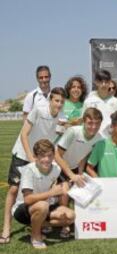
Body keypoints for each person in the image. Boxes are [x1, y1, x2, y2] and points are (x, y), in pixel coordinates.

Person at [0, 87, 66, 244]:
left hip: (41, 157)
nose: (59, 104)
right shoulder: (38, 110)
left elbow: (54, 140)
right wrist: (31, 158)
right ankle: (6, 227)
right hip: (24, 154)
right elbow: (24, 134)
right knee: (14, 190)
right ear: (50, 100)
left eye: (62, 102)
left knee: (39, 188)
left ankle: (37, 222)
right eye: (56, 100)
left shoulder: (61, 118)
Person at [12, 139, 75, 249]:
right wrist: (51, 193)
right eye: (42, 156)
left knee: (70, 216)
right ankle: (35, 236)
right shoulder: (29, 170)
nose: (47, 159)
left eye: (50, 156)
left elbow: (63, 183)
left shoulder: (56, 168)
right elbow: (27, 199)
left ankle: (37, 224)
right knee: (42, 205)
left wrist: (65, 186)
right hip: (23, 210)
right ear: (35, 157)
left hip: (44, 206)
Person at [55, 107, 103, 186]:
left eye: (97, 123)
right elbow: (56, 155)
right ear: (84, 122)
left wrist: (80, 174)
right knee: (65, 192)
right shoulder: (73, 132)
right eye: (90, 123)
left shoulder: (99, 138)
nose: (93, 127)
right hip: (57, 167)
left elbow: (84, 156)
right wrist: (71, 175)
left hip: (74, 168)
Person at [82, 69, 117, 137]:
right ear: (96, 82)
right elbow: (83, 122)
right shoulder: (88, 102)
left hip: (111, 140)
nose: (104, 85)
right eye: (101, 82)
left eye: (106, 82)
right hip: (93, 140)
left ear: (110, 82)